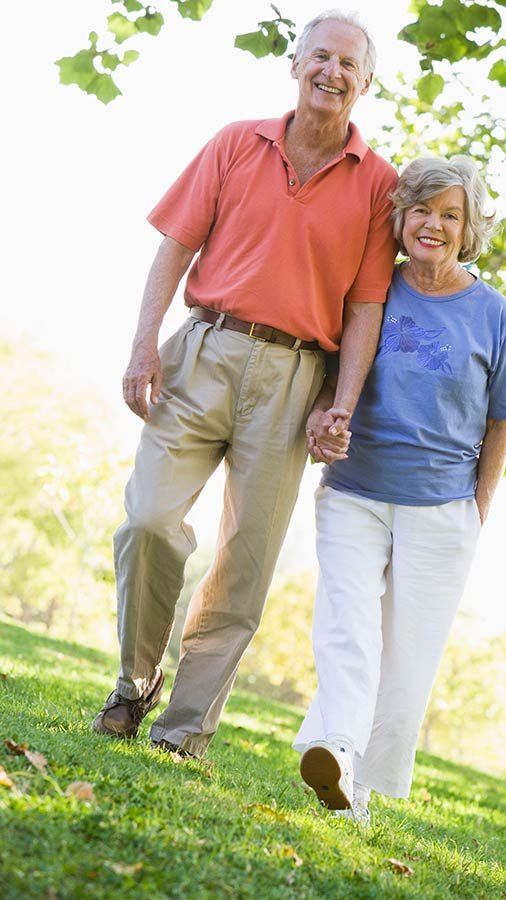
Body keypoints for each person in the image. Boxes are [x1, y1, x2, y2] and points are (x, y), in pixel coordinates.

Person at [92, 11, 398, 759]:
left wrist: (342, 406)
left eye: (348, 64)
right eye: (319, 56)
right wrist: (142, 345)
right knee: (147, 522)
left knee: (246, 560)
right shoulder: (236, 141)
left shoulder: (380, 184)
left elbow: (365, 309)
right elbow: (175, 246)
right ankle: (136, 683)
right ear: (295, 64)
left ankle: (183, 728)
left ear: (366, 83)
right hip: (204, 351)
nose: (332, 71)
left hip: (296, 379)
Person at [295, 155, 506, 826]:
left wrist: (476, 515)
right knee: (346, 626)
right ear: (400, 218)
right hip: (355, 491)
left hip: (443, 510)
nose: (433, 225)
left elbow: (501, 425)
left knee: (407, 660)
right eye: (422, 210)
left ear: (469, 229)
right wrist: (322, 417)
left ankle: (358, 792)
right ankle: (335, 749)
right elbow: (328, 376)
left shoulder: (495, 316)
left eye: (450, 214)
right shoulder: (370, 288)